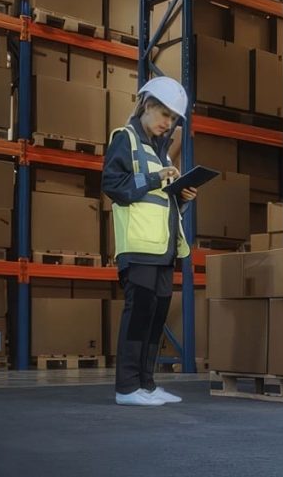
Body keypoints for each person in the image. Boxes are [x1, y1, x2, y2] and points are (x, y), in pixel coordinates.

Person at [102, 77, 197, 406]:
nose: (167, 123)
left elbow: (160, 203)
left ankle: (146, 383)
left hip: (162, 250)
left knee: (155, 317)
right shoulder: (124, 139)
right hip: (138, 248)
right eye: (164, 114)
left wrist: (182, 197)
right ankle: (126, 387)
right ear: (146, 105)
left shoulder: (160, 154)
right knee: (138, 314)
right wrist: (157, 177)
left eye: (172, 118)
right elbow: (113, 184)